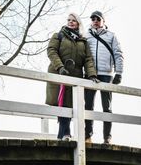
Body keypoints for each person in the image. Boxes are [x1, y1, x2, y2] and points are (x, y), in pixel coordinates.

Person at [46, 12, 97, 140]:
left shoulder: (83, 41)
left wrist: (91, 75)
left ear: (78, 23)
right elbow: (51, 51)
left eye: (73, 20)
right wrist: (60, 67)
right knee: (61, 103)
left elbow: (88, 59)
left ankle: (63, 135)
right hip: (59, 73)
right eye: (68, 20)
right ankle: (65, 134)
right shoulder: (58, 35)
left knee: (70, 105)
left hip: (75, 76)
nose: (70, 22)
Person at [84, 10, 124, 144]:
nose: (95, 21)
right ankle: (87, 135)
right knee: (88, 106)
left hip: (106, 74)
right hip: (90, 74)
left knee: (107, 107)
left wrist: (119, 72)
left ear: (103, 21)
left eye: (98, 19)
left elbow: (118, 54)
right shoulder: (86, 35)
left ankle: (107, 137)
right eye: (93, 18)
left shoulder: (111, 36)